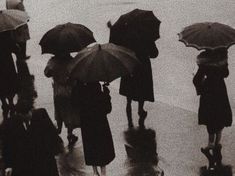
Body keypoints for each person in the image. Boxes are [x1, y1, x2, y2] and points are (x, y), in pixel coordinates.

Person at [193, 48, 232, 168]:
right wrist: (226, 62)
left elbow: (196, 79)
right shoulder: (222, 59)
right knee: (220, 116)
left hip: (208, 91)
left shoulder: (204, 61)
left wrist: (201, 85)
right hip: (220, 90)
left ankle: (210, 145)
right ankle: (217, 144)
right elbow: (226, 74)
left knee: (210, 118)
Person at [2, 101, 62, 176]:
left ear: (31, 111)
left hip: (43, 161)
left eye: (27, 114)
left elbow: (51, 133)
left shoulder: (41, 115)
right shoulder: (10, 124)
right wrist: (8, 165)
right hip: (24, 165)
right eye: (21, 115)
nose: (25, 117)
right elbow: (7, 145)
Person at [72, 82, 115, 176]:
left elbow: (74, 104)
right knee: (102, 146)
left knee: (91, 146)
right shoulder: (98, 90)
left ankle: (95, 171)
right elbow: (107, 108)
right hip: (100, 124)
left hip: (87, 124)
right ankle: (103, 171)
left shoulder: (80, 89)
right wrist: (106, 93)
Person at [119, 39, 158, 128]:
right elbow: (154, 53)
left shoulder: (127, 33)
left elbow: (121, 48)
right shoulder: (147, 35)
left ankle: (129, 121)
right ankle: (140, 110)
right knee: (142, 88)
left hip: (130, 63)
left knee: (129, 92)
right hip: (143, 65)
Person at [44, 52, 80, 145]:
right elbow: (76, 75)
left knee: (59, 112)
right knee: (69, 113)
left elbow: (47, 73)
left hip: (58, 91)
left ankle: (58, 130)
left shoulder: (53, 61)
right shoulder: (72, 61)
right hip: (69, 91)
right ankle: (69, 134)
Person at [0, 31, 19, 119]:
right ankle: (11, 102)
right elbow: (13, 48)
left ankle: (4, 103)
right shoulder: (5, 32)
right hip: (7, 62)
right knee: (9, 81)